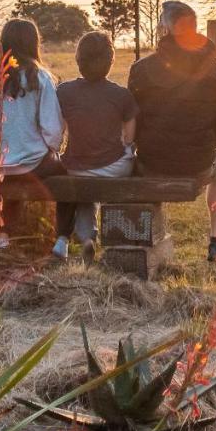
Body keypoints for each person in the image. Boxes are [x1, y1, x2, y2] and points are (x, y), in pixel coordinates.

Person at [128, 1, 216, 261]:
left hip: (150, 161)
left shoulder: (141, 69)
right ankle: (215, 238)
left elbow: (130, 119)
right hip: (198, 161)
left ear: (164, 30)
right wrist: (205, 143)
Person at [0, 17, 67, 249]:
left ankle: (3, 235)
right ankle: (62, 237)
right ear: (33, 44)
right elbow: (52, 130)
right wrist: (51, 151)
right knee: (67, 174)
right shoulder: (40, 78)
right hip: (33, 164)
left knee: (7, 174)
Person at [54, 30, 138, 260]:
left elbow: (58, 130)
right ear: (111, 61)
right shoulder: (121, 95)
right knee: (126, 159)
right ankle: (90, 237)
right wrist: (125, 149)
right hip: (112, 168)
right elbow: (130, 137)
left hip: (76, 166)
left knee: (83, 183)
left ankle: (84, 236)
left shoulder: (64, 91)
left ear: (78, 61)